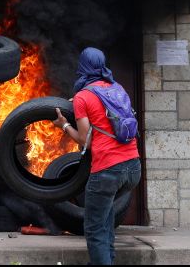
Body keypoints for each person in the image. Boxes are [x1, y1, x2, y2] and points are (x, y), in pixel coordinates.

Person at [52, 47, 141, 265]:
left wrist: (63, 124)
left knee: (94, 228)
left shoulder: (83, 97)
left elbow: (85, 140)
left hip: (108, 171)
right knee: (106, 220)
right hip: (133, 167)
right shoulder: (117, 88)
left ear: (82, 67)